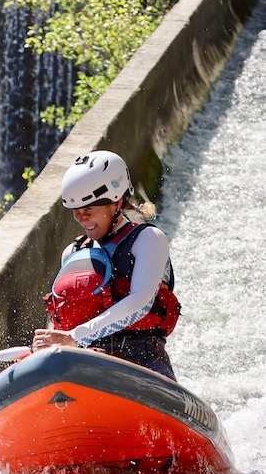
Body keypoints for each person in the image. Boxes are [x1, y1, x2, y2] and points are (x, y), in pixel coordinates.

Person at [31, 151, 181, 380]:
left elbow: (140, 304)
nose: (82, 219)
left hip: (143, 360)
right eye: (76, 212)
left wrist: (75, 337)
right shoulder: (72, 253)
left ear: (117, 202)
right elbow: (64, 326)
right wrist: (47, 345)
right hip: (86, 361)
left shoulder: (149, 239)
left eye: (89, 210)